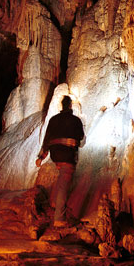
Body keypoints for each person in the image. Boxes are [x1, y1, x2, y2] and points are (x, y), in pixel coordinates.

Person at [36, 95, 84, 227]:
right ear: (70, 106)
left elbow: (47, 139)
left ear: (61, 106)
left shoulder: (53, 120)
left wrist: (41, 156)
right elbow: (81, 138)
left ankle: (55, 204)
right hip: (68, 155)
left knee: (62, 181)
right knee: (64, 183)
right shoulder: (75, 120)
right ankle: (59, 218)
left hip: (55, 155)